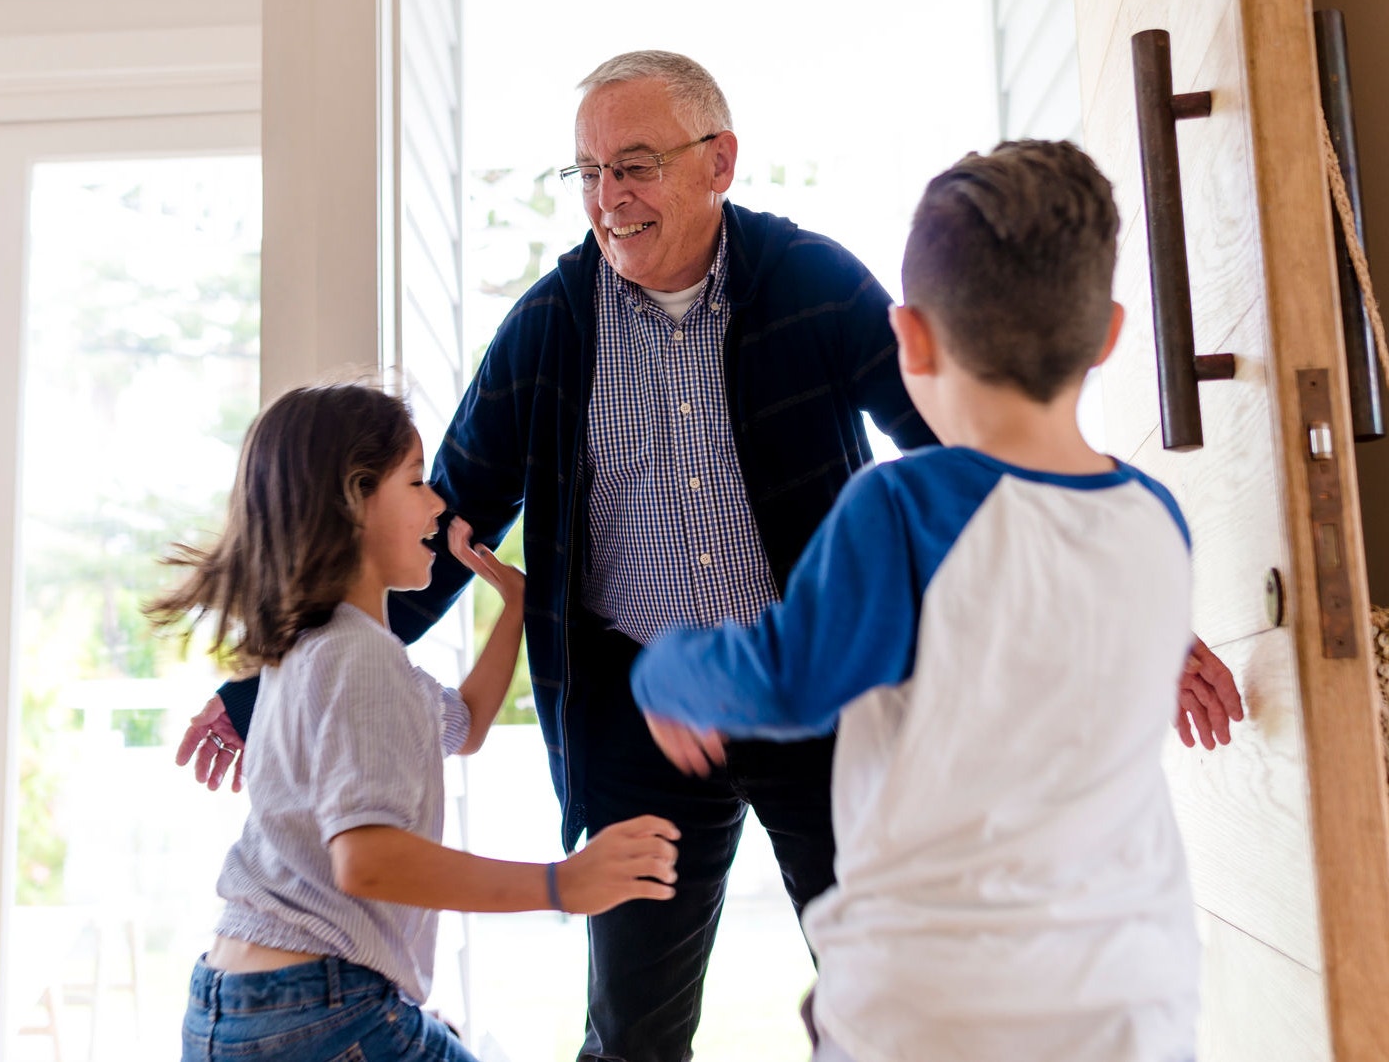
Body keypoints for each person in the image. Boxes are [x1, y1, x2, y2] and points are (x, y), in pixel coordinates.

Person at [179, 53, 1240, 1061]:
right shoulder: (552, 324)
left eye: (633, 166)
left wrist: (1148, 620)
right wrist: (257, 695)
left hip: (808, 696)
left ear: (715, 162)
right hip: (637, 721)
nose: (607, 197)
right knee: (633, 1030)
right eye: (588, 173)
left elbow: (975, 445)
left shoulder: (812, 283)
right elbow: (437, 524)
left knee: (873, 966)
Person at [631, 140, 1201, 1062]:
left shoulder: (910, 507)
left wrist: (669, 668)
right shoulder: (1157, 522)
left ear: (911, 340)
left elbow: (787, 678)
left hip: (937, 1006)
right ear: (1107, 332)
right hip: (1131, 1002)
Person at [149, 380, 678, 1062]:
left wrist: (513, 607)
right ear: (354, 499)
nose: (437, 504)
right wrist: (561, 883)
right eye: (416, 482)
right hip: (318, 1009)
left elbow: (465, 725)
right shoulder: (358, 657)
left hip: (231, 1002)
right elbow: (367, 861)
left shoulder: (316, 649)